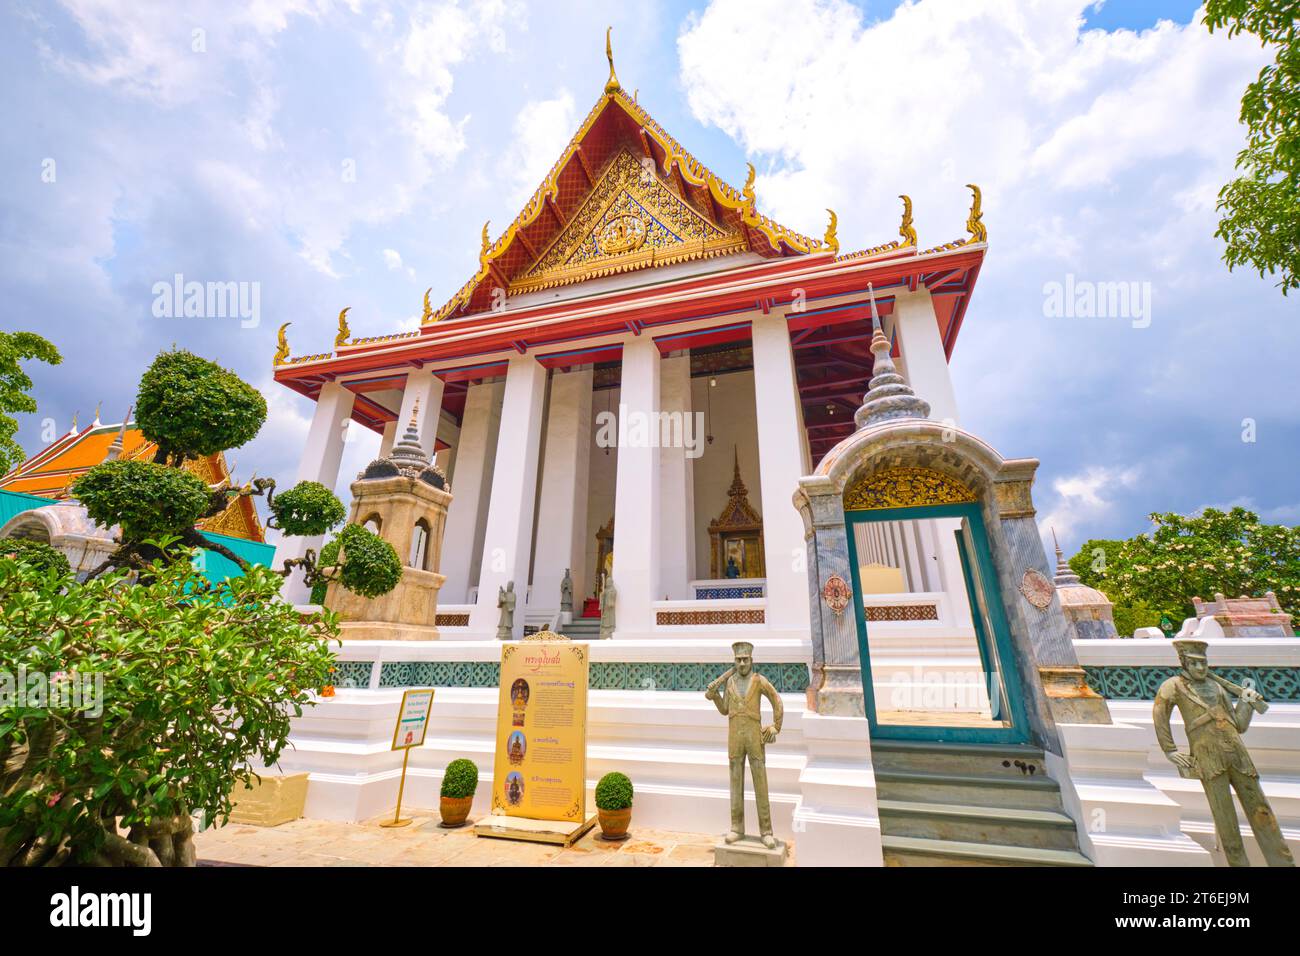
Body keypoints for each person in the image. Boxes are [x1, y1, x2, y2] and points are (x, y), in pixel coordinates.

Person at [1153, 638, 1294, 867]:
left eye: (1203, 663)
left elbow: (1239, 725)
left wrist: (1246, 702)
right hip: (1209, 760)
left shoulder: (1217, 686)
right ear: (1184, 663)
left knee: (1263, 813)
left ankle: (1283, 863)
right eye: (1194, 663)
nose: (1200, 668)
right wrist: (1169, 749)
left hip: (1238, 755)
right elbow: (1160, 714)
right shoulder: (1173, 686)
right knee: (1227, 823)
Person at [705, 641, 783, 848]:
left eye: (745, 660)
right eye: (738, 660)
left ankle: (766, 831)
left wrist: (776, 726)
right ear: (734, 661)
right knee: (735, 781)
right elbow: (724, 710)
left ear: (751, 660)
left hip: (754, 736)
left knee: (760, 782)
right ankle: (736, 828)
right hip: (735, 736)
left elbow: (776, 699)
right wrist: (714, 696)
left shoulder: (759, 681)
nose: (741, 664)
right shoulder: (729, 682)